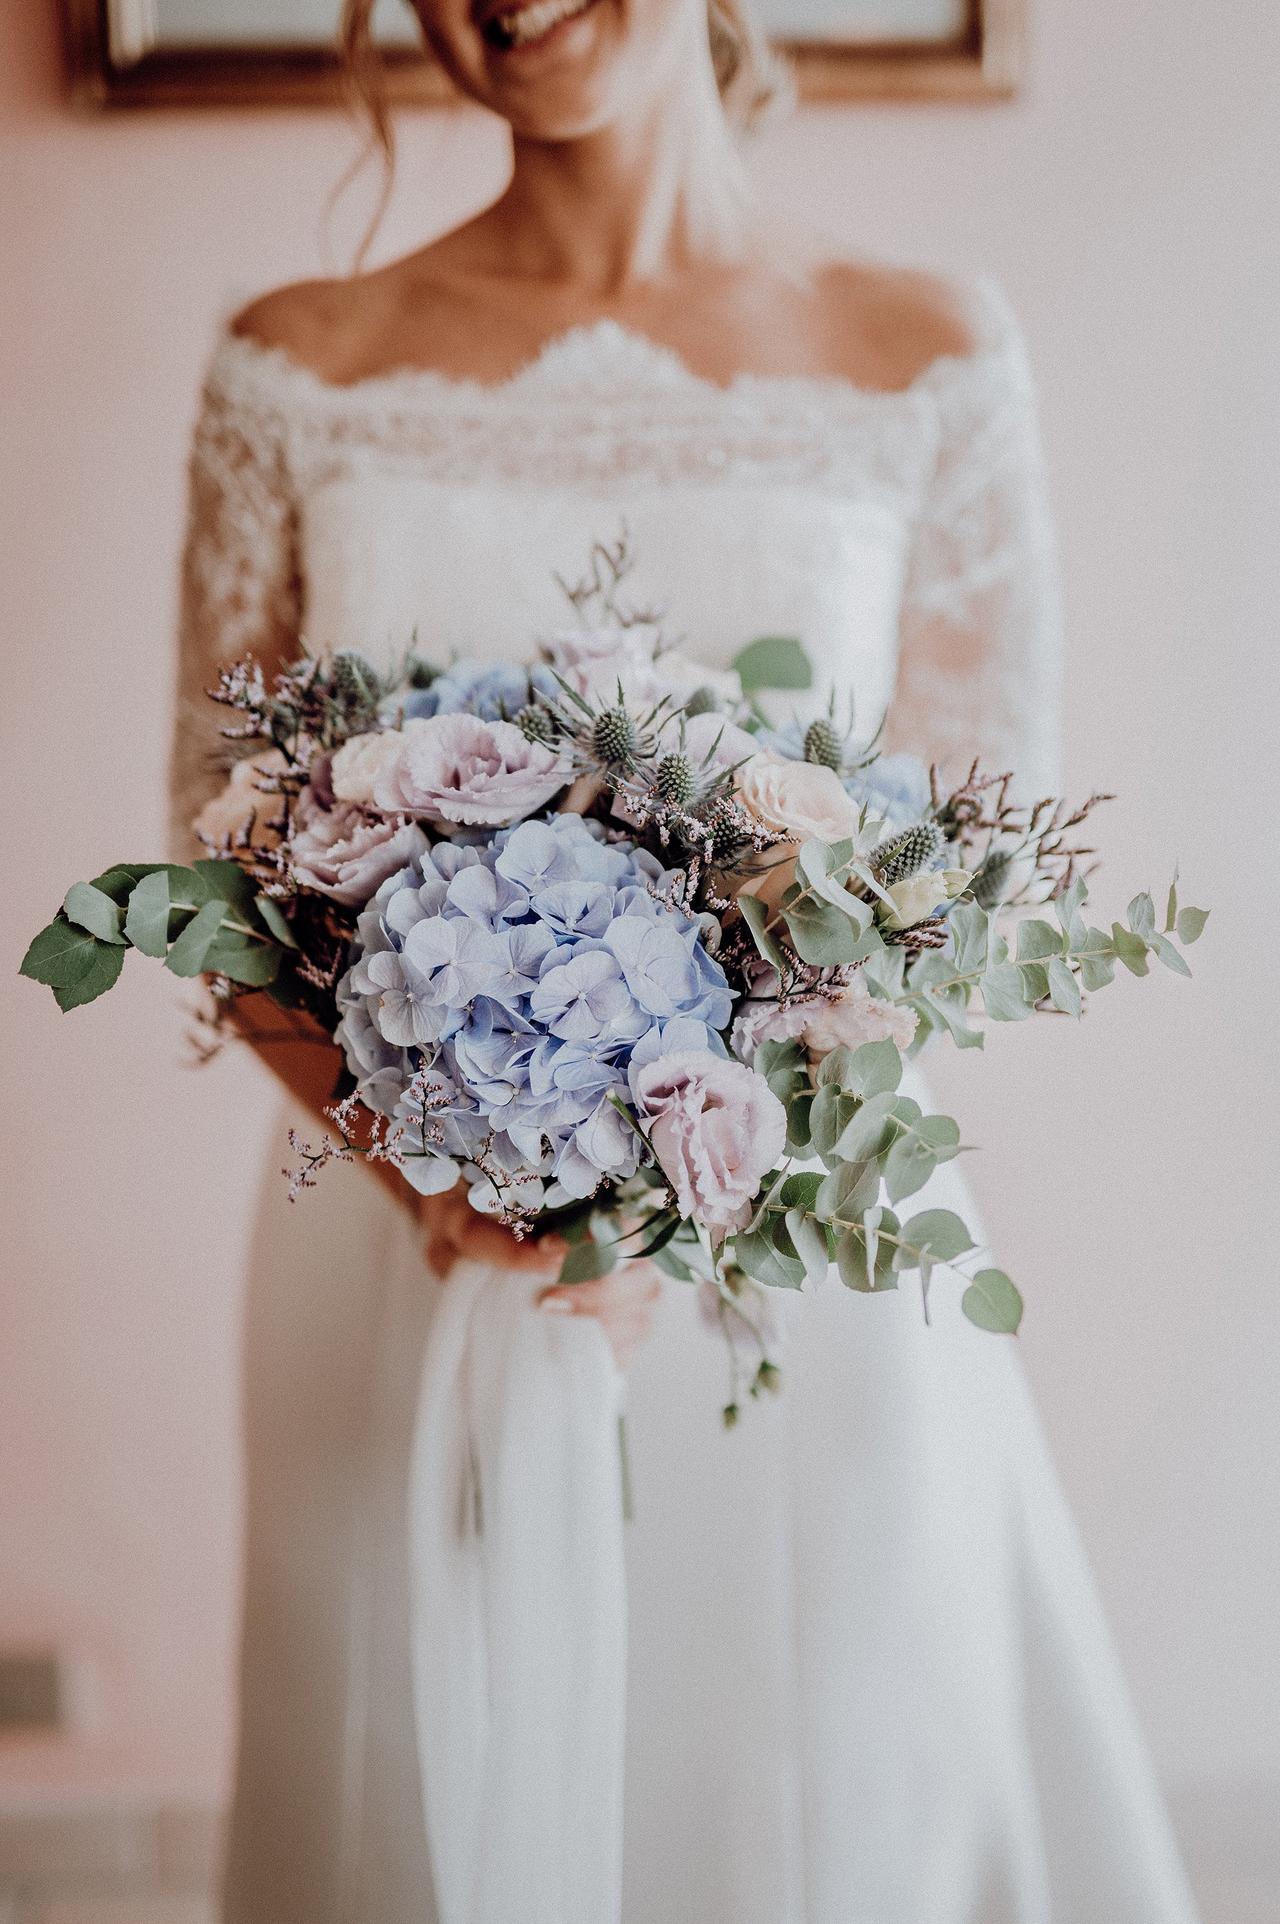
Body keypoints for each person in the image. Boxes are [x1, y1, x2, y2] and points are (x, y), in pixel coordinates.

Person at [171, 0, 1200, 1916]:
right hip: (398, 1236)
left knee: (813, 1776)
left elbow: (974, 872)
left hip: (799, 1228)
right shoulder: (295, 368)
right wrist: (452, 1193)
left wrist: (676, 1178)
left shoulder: (927, 355)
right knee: (418, 1764)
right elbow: (217, 869)